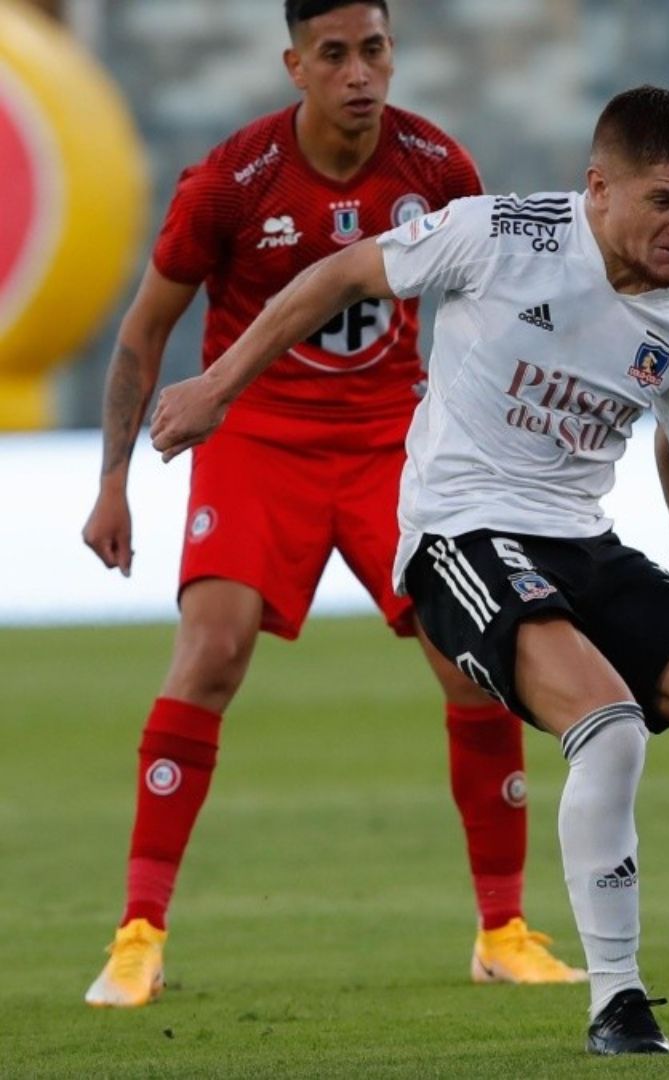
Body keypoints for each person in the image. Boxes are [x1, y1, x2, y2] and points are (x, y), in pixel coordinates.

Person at [147, 85, 669, 1055]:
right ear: (599, 189)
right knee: (610, 729)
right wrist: (216, 387)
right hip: (459, 535)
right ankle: (615, 1001)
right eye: (665, 200)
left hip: (582, 543)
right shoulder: (497, 235)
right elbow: (337, 279)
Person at [78, 0, 581, 1008]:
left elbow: (486, 314)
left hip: (393, 441)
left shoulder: (439, 168)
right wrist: (114, 484)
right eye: (337, 55)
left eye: (376, 50)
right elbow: (143, 333)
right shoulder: (229, 185)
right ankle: (138, 934)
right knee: (212, 649)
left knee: (471, 657)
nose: (361, 73)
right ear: (296, 65)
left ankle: (503, 928)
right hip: (258, 437)